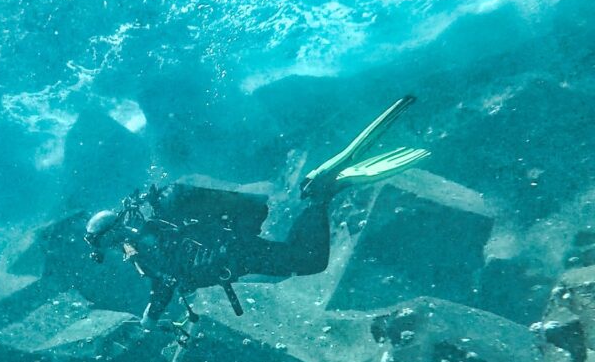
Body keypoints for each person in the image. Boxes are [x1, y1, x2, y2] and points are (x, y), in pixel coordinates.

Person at [84, 95, 430, 330]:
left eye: (104, 246)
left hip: (238, 252)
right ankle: (319, 192)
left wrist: (238, 235)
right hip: (236, 255)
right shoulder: (142, 241)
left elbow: (168, 270)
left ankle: (320, 192)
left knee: (307, 261)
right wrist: (151, 315)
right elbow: (165, 280)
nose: (112, 251)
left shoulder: (145, 235)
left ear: (110, 235)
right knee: (299, 262)